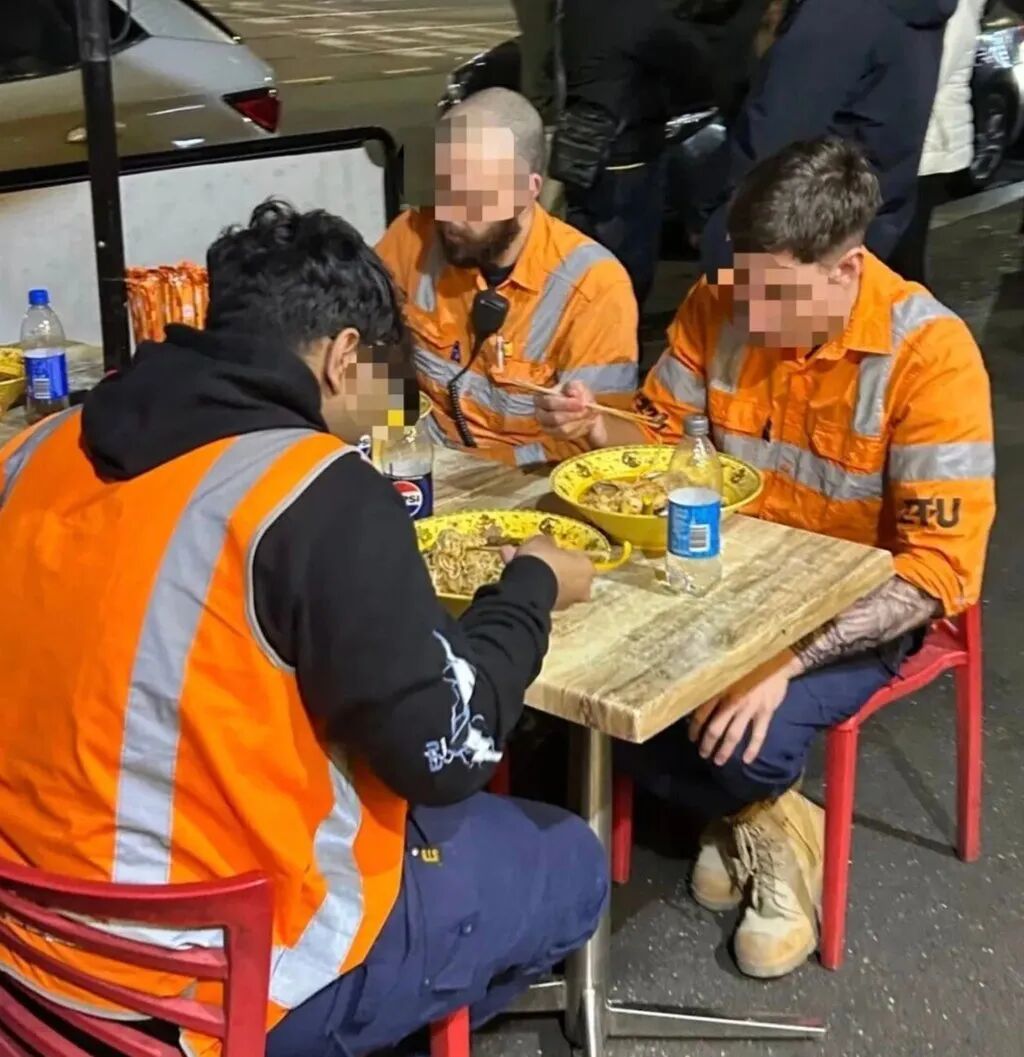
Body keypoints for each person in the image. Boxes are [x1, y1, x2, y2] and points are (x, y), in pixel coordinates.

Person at [0, 201, 608, 1056]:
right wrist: (532, 587)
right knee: (570, 864)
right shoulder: (313, 490)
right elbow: (450, 750)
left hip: (25, 940)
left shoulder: (38, 444)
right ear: (344, 358)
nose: (383, 417)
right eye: (384, 387)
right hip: (194, 987)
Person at [536, 137, 995, 979]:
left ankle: (762, 810)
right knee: (562, 680)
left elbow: (938, 573)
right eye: (744, 283)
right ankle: (767, 820)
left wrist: (783, 659)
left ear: (848, 268)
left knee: (742, 736)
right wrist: (600, 425)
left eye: (778, 294)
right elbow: (664, 439)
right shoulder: (723, 304)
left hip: (856, 607)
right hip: (721, 574)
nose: (754, 313)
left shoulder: (931, 356)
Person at [376, 87, 639, 469]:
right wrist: (393, 442)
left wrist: (469, 468)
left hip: (525, 482)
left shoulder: (595, 288)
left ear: (527, 190)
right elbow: (362, 351)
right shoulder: (412, 236)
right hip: (419, 461)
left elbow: (600, 449)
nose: (449, 213)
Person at [698, 0, 957, 277]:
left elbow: (774, 133)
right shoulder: (905, 13)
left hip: (794, 243)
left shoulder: (841, 12)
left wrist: (713, 220)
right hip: (859, 231)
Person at [554, 0, 722, 307]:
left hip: (580, 151)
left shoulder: (575, 9)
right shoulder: (640, 15)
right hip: (628, 157)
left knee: (579, 255)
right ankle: (616, 337)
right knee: (627, 268)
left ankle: (580, 329)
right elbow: (695, 61)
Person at [889, 0, 988, 283]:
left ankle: (919, 325)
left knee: (902, 264)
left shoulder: (955, 6)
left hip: (928, 146)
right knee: (899, 261)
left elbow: (935, 70)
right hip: (918, 144)